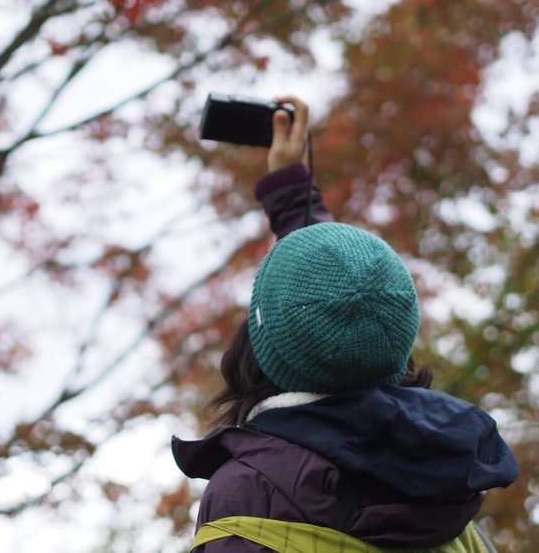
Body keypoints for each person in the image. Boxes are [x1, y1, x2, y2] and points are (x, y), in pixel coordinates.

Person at [172, 96, 519, 552]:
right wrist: (292, 193)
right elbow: (338, 293)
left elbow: (322, 303)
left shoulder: (248, 492)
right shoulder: (445, 474)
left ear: (259, 349)